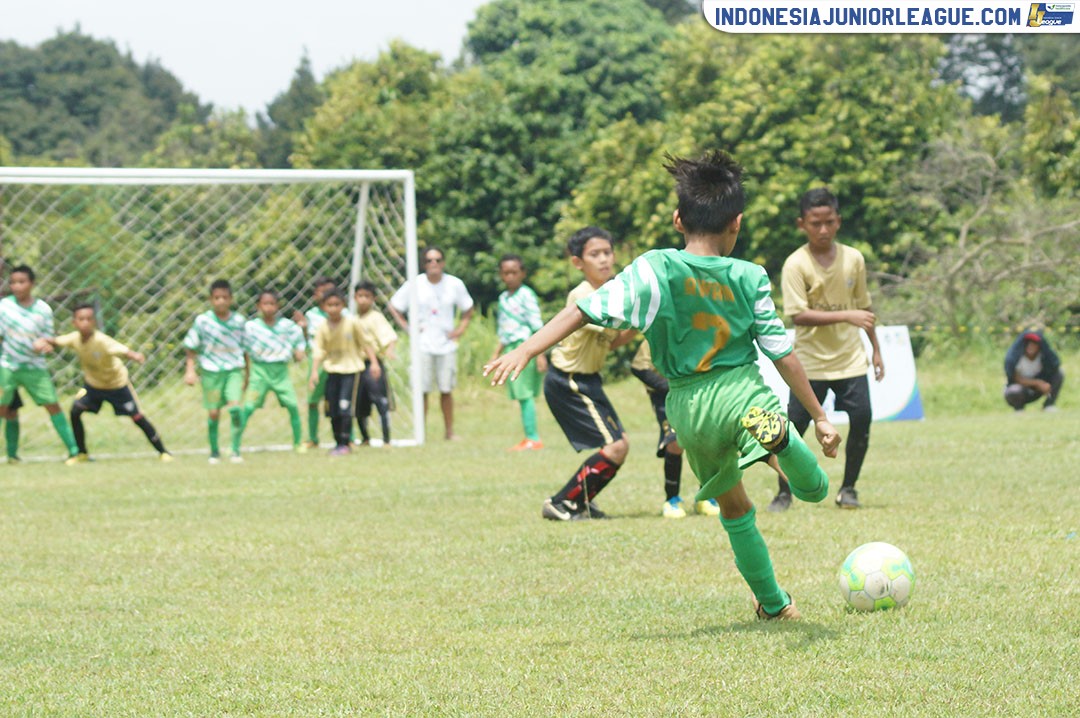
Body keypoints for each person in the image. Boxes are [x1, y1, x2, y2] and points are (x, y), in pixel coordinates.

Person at [487, 150, 840, 620]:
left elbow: (581, 311)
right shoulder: (749, 275)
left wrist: (527, 349)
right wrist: (818, 415)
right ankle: (787, 446)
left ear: (678, 219)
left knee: (734, 509)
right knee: (812, 489)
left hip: (689, 407)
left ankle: (774, 604)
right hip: (740, 389)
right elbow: (782, 353)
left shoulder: (654, 268)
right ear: (736, 223)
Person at [768, 187, 883, 512]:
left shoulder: (854, 259)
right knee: (791, 431)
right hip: (810, 364)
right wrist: (846, 315)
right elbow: (798, 315)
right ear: (801, 223)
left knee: (862, 422)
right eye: (815, 223)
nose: (823, 230)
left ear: (838, 222)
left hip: (850, 362)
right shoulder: (795, 264)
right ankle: (783, 492)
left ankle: (848, 489)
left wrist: (875, 350)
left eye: (829, 222)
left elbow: (865, 308)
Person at [527, 227, 636, 521]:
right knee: (616, 447)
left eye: (607, 252)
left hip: (588, 380)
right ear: (578, 262)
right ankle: (562, 503)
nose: (603, 260)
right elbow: (618, 319)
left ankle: (579, 501)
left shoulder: (611, 290)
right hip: (568, 380)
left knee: (619, 445)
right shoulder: (584, 295)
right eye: (594, 254)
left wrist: (641, 325)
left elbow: (613, 341)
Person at [45, 303, 172, 461]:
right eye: (81, 319)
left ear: (95, 322)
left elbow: (121, 350)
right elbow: (56, 341)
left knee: (137, 417)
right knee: (75, 410)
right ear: (74, 323)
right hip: (93, 387)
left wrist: (135, 355)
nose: (85, 322)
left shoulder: (102, 340)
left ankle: (163, 452)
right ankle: (82, 453)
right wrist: (43, 342)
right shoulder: (74, 338)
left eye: (89, 319)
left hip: (117, 386)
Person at [388, 247, 474, 440]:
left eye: (437, 260)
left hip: (445, 344)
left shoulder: (454, 284)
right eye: (429, 260)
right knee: (422, 390)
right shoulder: (415, 283)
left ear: (443, 262)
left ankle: (449, 431)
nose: (433, 264)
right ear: (423, 264)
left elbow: (468, 308)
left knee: (446, 389)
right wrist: (407, 327)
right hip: (422, 345)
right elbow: (394, 306)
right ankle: (421, 431)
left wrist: (460, 329)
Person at [630, 338, 718, 519]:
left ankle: (706, 496)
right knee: (675, 441)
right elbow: (639, 368)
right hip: (666, 396)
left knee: (706, 439)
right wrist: (668, 387)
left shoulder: (697, 327)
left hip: (695, 391)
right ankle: (672, 499)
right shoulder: (656, 330)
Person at [0, 265, 80, 463]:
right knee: (5, 408)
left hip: (35, 367)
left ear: (31, 284)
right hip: (8, 365)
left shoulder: (43, 309)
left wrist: (44, 344)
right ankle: (11, 455)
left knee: (52, 404)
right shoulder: (4, 307)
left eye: (21, 282)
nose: (17, 286)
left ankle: (74, 451)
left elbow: (49, 338)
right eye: (13, 282)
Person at [309, 288, 380, 455]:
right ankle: (338, 442)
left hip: (351, 370)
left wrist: (374, 363)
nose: (333, 308)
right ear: (324, 307)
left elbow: (366, 343)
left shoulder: (352, 323)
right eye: (329, 305)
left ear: (343, 305)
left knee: (344, 407)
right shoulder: (323, 327)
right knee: (332, 409)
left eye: (337, 304)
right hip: (332, 371)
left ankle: (345, 442)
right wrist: (314, 372)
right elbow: (318, 350)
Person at [183, 279, 247, 464]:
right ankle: (214, 451)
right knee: (213, 413)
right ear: (211, 300)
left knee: (235, 408)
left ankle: (235, 449)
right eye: (217, 298)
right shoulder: (203, 321)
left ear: (231, 299)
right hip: (211, 371)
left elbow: (246, 349)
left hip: (234, 369)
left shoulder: (239, 321)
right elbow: (191, 346)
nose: (221, 301)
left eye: (224, 297)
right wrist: (190, 370)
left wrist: (247, 375)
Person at [491, 253, 547, 451]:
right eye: (506, 273)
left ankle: (533, 438)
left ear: (522, 273)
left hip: (525, 347)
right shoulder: (503, 298)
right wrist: (496, 354)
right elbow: (503, 331)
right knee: (519, 393)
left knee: (525, 394)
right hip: (510, 348)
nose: (510, 277)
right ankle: (529, 436)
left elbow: (536, 325)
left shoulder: (526, 295)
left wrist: (540, 354)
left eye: (514, 272)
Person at [240, 290, 307, 453]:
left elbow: (300, 347)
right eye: (265, 304)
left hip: (281, 372)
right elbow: (245, 352)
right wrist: (247, 376)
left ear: (278, 306)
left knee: (292, 406)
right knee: (248, 407)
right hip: (260, 372)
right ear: (258, 306)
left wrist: (304, 331)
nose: (269, 307)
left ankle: (298, 443)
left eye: (272, 304)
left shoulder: (287, 326)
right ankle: (235, 444)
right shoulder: (251, 327)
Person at [293, 276, 338, 449]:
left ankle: (347, 437)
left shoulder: (343, 314)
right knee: (313, 400)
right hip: (317, 362)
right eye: (322, 290)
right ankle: (313, 438)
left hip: (337, 359)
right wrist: (303, 328)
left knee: (339, 400)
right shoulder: (311, 315)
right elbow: (306, 341)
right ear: (315, 295)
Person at [353, 281, 398, 446]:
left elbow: (390, 337)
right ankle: (365, 438)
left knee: (381, 402)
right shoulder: (354, 319)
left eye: (367, 296)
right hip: (356, 365)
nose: (363, 300)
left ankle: (386, 439)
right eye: (360, 296)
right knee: (359, 404)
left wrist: (389, 351)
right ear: (355, 297)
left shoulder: (376, 317)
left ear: (373, 299)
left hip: (373, 365)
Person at [1003, 330, 1064, 411]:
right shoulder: (1016, 358)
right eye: (1028, 343)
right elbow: (1016, 378)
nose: (1031, 346)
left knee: (1059, 373)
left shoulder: (1044, 357)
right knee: (1014, 390)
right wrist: (1038, 383)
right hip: (1020, 390)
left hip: (1038, 389)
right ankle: (1019, 409)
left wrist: (1044, 384)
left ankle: (1048, 405)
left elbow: (1054, 366)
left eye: (1034, 343)